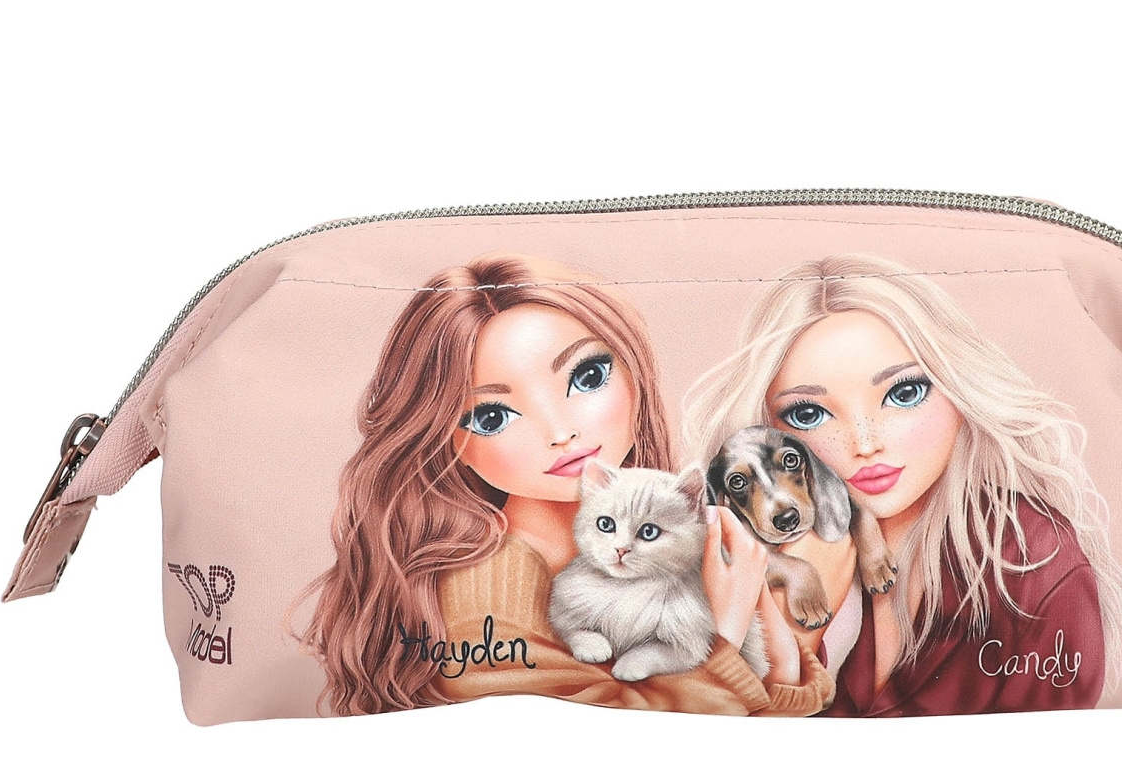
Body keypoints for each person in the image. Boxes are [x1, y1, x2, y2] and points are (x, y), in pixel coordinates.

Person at [296, 252, 834, 718]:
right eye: (491, 416)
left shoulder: (668, 519)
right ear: (445, 441)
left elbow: (788, 703)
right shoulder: (487, 592)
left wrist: (761, 635)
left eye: (587, 376)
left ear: (634, 371)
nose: (560, 432)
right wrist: (726, 629)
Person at [682, 253, 1122, 716]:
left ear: (959, 388)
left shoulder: (1031, 554)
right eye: (808, 413)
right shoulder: (744, 568)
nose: (865, 444)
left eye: (903, 394)